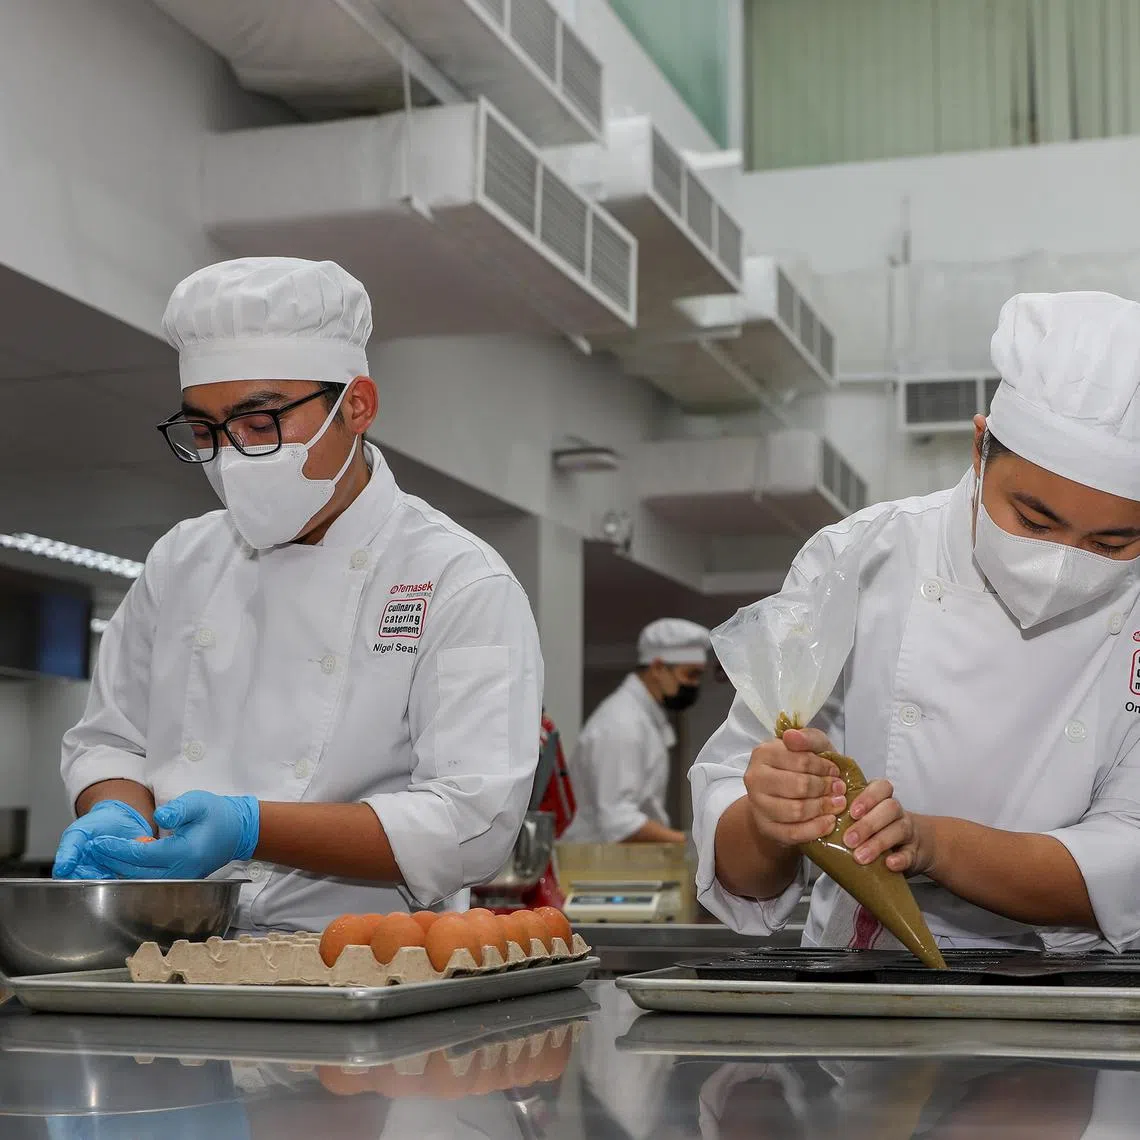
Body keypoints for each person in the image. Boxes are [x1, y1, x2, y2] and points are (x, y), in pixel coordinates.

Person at [52, 256, 543, 930]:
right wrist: (116, 815)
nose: (232, 458)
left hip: (362, 963)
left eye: (262, 424)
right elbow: (110, 742)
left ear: (358, 406)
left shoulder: (457, 579)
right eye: (205, 432)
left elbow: (471, 824)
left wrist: (248, 828)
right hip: (166, 944)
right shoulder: (180, 561)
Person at [692, 291, 1140, 953]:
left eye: (1111, 543)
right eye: (1035, 521)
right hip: (869, 985)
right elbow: (745, 873)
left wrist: (934, 843)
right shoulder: (861, 561)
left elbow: (1129, 853)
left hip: (1076, 990)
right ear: (980, 445)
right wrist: (770, 819)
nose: (1060, 564)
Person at [565, 618, 710, 845]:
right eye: (690, 674)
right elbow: (618, 819)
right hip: (599, 870)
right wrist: (690, 844)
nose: (694, 685)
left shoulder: (644, 718)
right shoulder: (621, 723)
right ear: (658, 668)